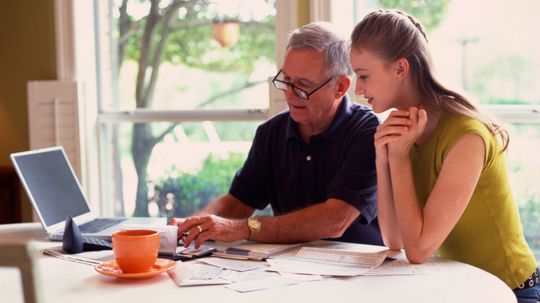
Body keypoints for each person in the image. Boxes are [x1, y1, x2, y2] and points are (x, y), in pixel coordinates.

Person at [349, 9, 538, 301]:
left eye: (364, 76)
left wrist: (398, 158)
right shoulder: (403, 128)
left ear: (400, 69)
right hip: (461, 288)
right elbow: (394, 240)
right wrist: (382, 156)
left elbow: (419, 250)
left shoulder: (466, 136)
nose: (358, 89)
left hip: (512, 291)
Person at [169, 22, 383, 248]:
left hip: (358, 270)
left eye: (303, 85)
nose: (290, 94)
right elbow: (239, 202)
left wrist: (244, 228)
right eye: (286, 80)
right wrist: (195, 224)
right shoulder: (271, 132)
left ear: (340, 87)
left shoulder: (368, 132)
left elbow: (335, 220)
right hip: (283, 269)